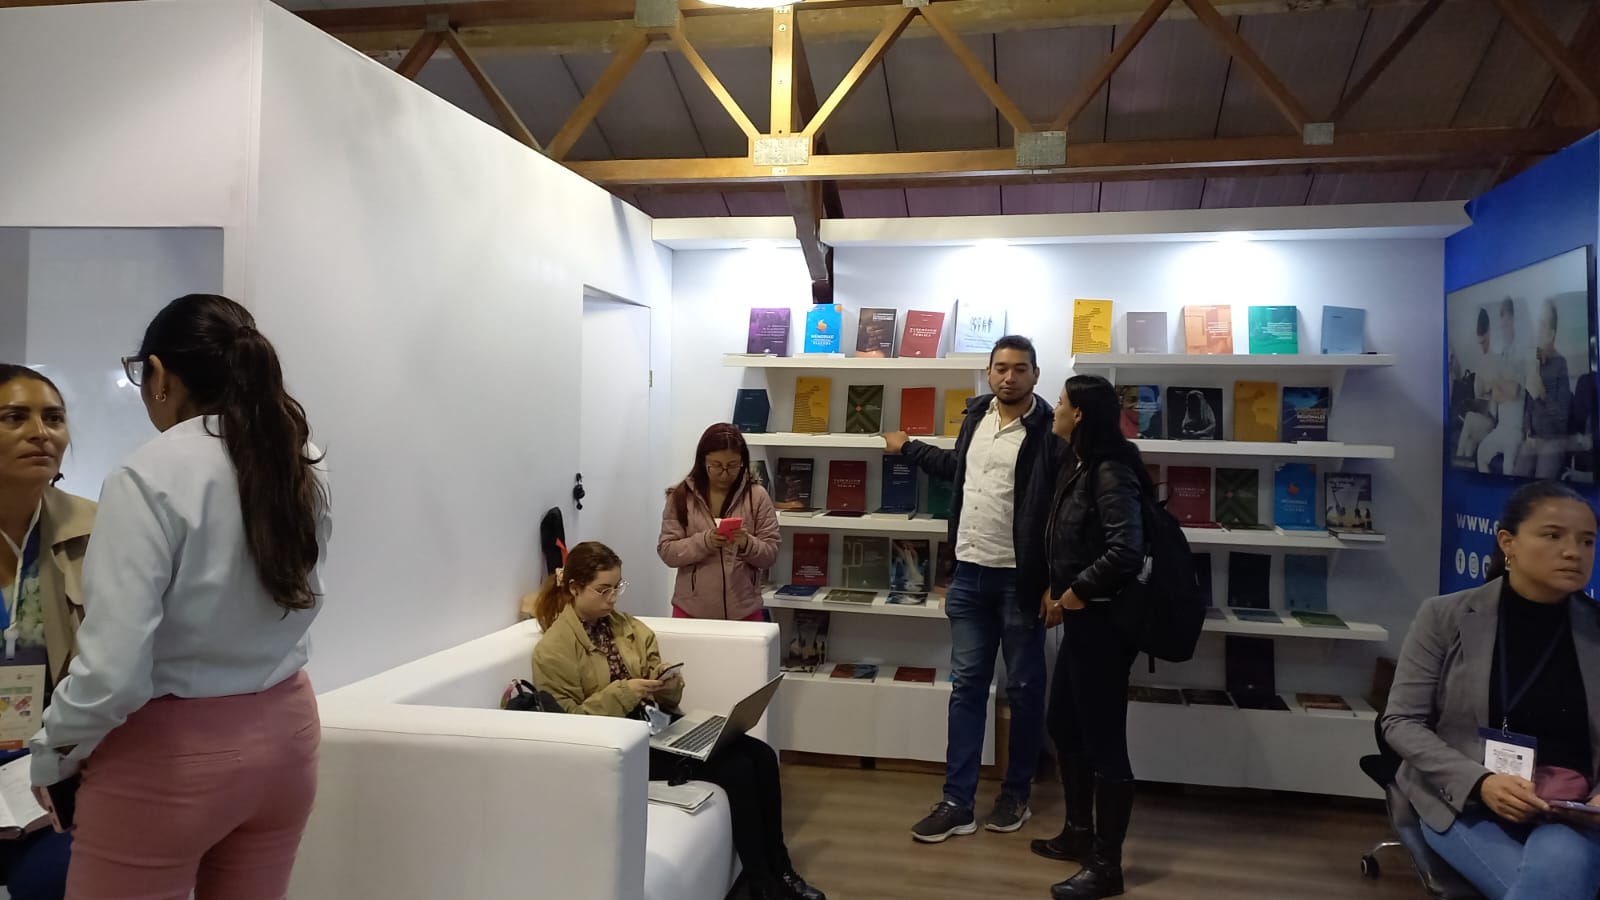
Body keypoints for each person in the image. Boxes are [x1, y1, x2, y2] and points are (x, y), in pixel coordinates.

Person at [30, 294, 330, 900]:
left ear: (159, 376)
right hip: (288, 740)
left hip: (170, 757)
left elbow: (113, 673)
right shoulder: (302, 458)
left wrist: (53, 752)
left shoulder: (148, 475)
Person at [529, 541, 823, 900]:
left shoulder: (627, 627)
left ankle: (782, 870)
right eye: (602, 590)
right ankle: (762, 884)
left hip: (660, 728)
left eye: (617, 587)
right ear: (575, 588)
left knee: (760, 754)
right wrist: (625, 692)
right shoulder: (554, 650)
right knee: (737, 769)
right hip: (623, 747)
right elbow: (568, 725)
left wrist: (668, 683)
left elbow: (659, 678)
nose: (612, 599)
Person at [884, 335, 1065, 843]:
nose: (1009, 377)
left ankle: (1015, 794)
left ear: (1035, 374)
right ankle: (957, 802)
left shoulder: (1051, 432)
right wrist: (908, 447)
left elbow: (1064, 511)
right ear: (988, 372)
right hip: (968, 574)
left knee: (1024, 689)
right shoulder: (976, 418)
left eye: (1020, 369)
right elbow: (956, 469)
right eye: (1001, 368)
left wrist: (1057, 581)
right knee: (966, 688)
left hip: (1021, 580)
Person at [1384, 480, 1600, 900]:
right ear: (1508, 543)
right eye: (1553, 536)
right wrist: (1480, 782)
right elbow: (1401, 722)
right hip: (1466, 800)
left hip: (1568, 811)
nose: (1574, 552)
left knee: (1561, 868)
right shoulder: (1444, 617)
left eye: (1587, 541)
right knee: (1557, 884)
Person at [1031, 375, 1151, 900]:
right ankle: (1079, 833)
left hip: (1104, 624)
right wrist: (1055, 587)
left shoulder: (1110, 470)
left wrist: (1077, 590)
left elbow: (1126, 550)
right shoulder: (1077, 462)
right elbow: (1070, 537)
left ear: (1078, 414)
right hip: (1080, 618)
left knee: (1105, 744)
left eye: (1060, 403)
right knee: (1063, 722)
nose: (1055, 410)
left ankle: (1107, 866)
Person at [0, 366, 95, 900]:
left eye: (53, 418)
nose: (41, 432)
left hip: (52, 774)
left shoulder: (101, 531)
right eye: (14, 417)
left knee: (57, 881)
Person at [657, 423, 781, 621]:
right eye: (716, 465)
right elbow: (667, 551)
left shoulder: (757, 497)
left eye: (732, 466)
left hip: (744, 610)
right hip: (691, 611)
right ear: (702, 461)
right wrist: (704, 542)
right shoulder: (681, 497)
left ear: (743, 462)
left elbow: (770, 554)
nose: (724, 473)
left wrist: (747, 543)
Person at [1515, 299, 1575, 479]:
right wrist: (1527, 432)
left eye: (1542, 326)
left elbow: (1562, 418)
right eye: (1536, 325)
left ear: (1551, 334)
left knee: (1541, 480)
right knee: (1518, 476)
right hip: (1534, 438)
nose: (1537, 332)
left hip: (1554, 441)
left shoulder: (1560, 364)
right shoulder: (1534, 362)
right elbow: (1528, 407)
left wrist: (1543, 395)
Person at [1478, 297, 1536, 474]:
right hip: (1501, 428)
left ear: (1513, 320)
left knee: (1508, 465)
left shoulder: (1522, 352)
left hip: (1515, 431)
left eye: (1506, 321)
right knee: (1481, 453)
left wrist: (1499, 384)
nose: (1503, 327)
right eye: (1501, 322)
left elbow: (1514, 391)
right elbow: (1495, 393)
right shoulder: (1501, 354)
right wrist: (1504, 386)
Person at [1453, 307, 1498, 463]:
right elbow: (1479, 393)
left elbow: (1494, 405)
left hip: (1493, 421)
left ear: (1490, 333)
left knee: (1469, 419)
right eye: (1480, 343)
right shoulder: (1482, 361)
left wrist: (1488, 389)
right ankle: (1461, 464)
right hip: (1482, 416)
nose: (1482, 347)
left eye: (1484, 342)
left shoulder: (1497, 360)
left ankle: (1458, 459)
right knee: (1469, 445)